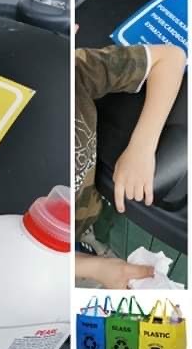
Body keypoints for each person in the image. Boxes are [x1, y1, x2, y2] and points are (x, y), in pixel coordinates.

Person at [75, 31, 185, 288]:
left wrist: (141, 148)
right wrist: (93, 267)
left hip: (83, 220)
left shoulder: (77, 69)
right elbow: (8, 252)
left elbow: (170, 58)